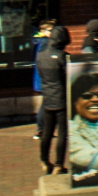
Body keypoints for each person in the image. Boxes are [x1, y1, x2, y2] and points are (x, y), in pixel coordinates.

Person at [31, 20, 71, 175]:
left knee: (47, 131)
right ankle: (59, 164)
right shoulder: (63, 56)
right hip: (61, 98)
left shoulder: (41, 54)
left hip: (47, 97)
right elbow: (69, 77)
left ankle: (44, 160)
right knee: (62, 133)